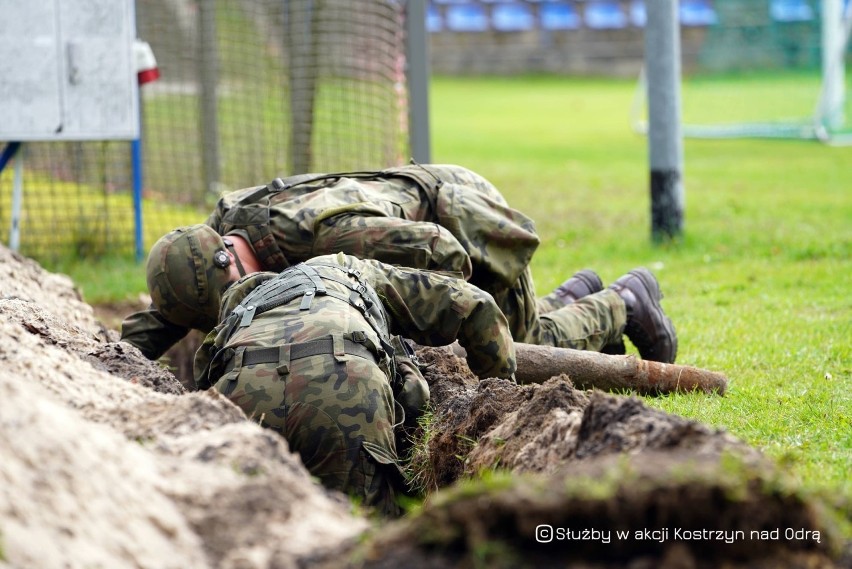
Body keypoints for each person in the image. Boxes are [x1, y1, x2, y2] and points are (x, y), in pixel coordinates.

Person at [191, 251, 667, 514]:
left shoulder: (238, 311)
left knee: (259, 525)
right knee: (367, 532)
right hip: (343, 381)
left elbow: (199, 390)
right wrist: (502, 398)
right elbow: (475, 306)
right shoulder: (353, 273)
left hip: (240, 393)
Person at [122, 163, 677, 365]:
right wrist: (118, 360)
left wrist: (421, 326)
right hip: (417, 209)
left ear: (233, 273)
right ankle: (579, 289)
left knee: (525, 341)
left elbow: (445, 255)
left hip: (459, 216)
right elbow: (178, 300)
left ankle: (624, 301)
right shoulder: (220, 237)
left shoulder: (333, 242)